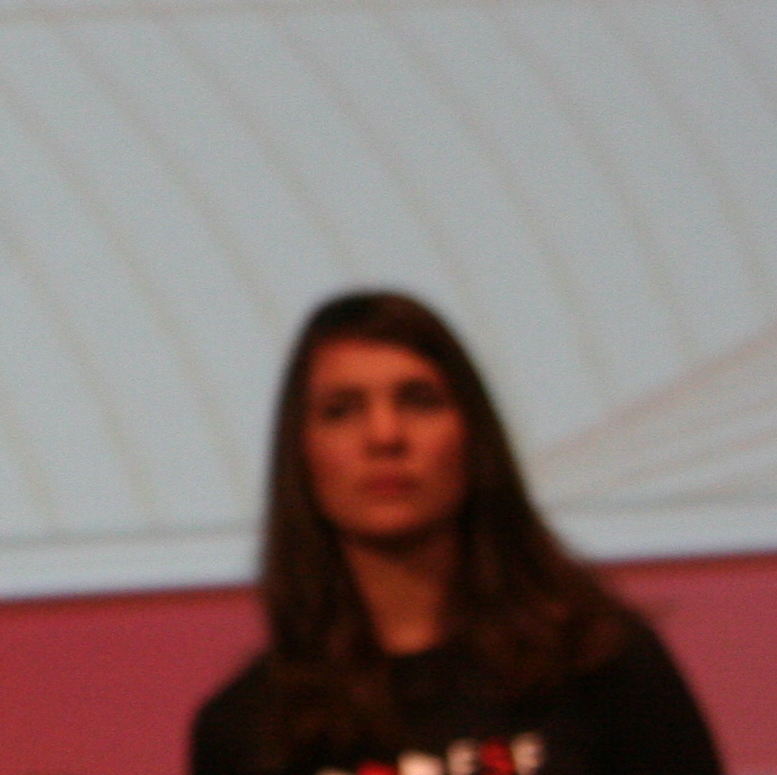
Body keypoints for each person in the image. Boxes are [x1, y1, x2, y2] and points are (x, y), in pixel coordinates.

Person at [190, 291, 723, 775]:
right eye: (342, 410)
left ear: (473, 435)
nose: (385, 435)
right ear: (300, 454)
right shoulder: (248, 730)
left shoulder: (602, 666)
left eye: (419, 400)